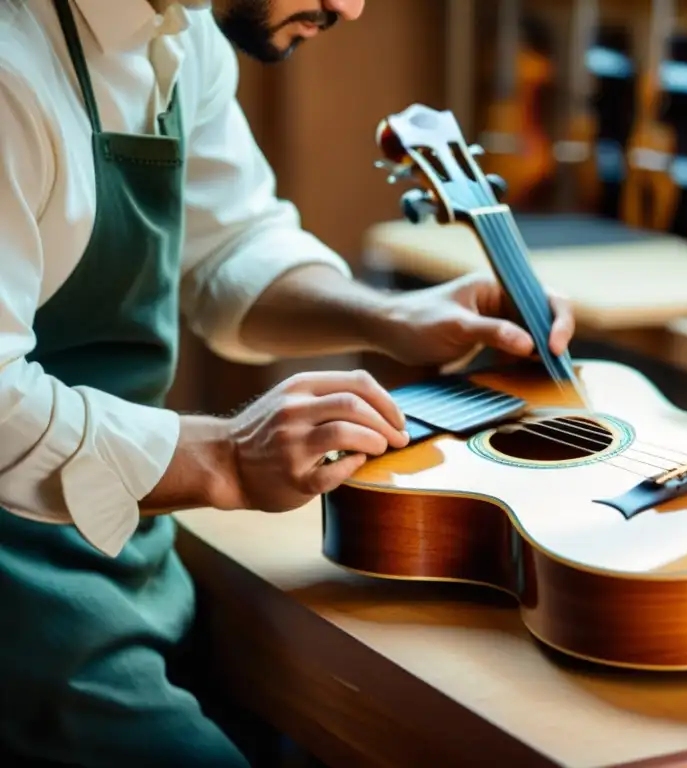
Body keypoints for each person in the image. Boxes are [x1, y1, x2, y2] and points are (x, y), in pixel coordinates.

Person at [0, 1, 575, 765]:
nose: (350, 6)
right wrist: (226, 455)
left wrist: (389, 316)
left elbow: (231, 247)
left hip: (128, 547)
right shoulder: (13, 66)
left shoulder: (185, 31)